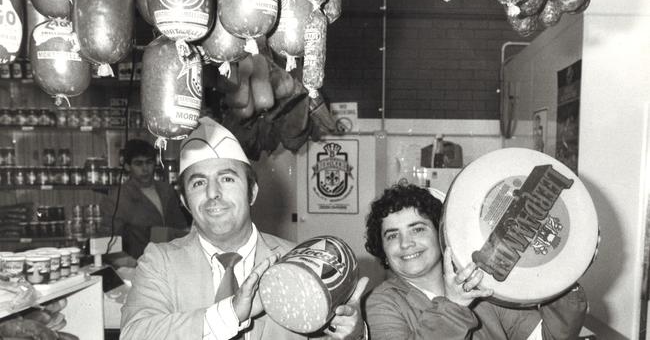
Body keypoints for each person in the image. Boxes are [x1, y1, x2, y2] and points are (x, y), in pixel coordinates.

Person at [121, 117, 368, 340]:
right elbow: (134, 334)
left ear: (252, 192)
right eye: (198, 183)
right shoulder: (160, 261)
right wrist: (229, 314)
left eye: (227, 179)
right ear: (185, 202)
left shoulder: (297, 262)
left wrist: (354, 333)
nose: (213, 193)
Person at [363, 183, 588, 339]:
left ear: (441, 233)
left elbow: (546, 337)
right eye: (392, 235)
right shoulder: (382, 302)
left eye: (418, 229)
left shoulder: (480, 282)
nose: (405, 243)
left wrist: (563, 272)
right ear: (382, 248)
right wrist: (453, 305)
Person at [100, 139, 189, 265]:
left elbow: (181, 227)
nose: (145, 168)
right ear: (127, 166)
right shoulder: (118, 197)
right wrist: (129, 263)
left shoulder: (166, 189)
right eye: (138, 164)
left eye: (149, 162)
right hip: (139, 265)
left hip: (172, 262)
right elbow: (108, 241)